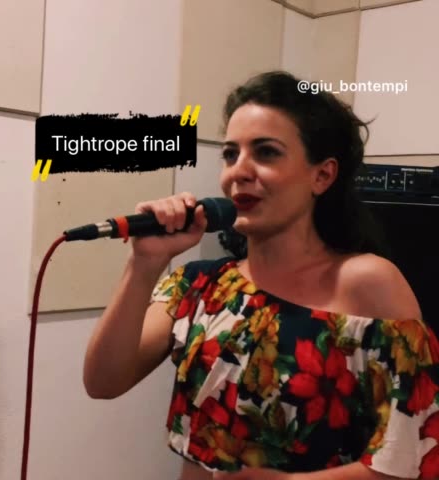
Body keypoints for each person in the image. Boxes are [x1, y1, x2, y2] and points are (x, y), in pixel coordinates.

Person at [83, 71, 439, 480]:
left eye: (266, 152)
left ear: (322, 175)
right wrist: (144, 263)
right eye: (230, 154)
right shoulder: (199, 285)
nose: (239, 171)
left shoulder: (367, 282)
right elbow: (103, 382)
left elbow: (418, 452)